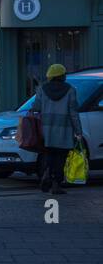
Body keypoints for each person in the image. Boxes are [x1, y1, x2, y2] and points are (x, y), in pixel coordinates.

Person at [33, 63, 83, 195]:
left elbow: (36, 108)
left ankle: (46, 174)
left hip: (46, 131)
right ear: (62, 76)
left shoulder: (42, 89)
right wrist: (78, 131)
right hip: (64, 132)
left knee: (49, 155)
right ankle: (56, 185)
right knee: (61, 159)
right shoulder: (71, 90)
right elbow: (74, 113)